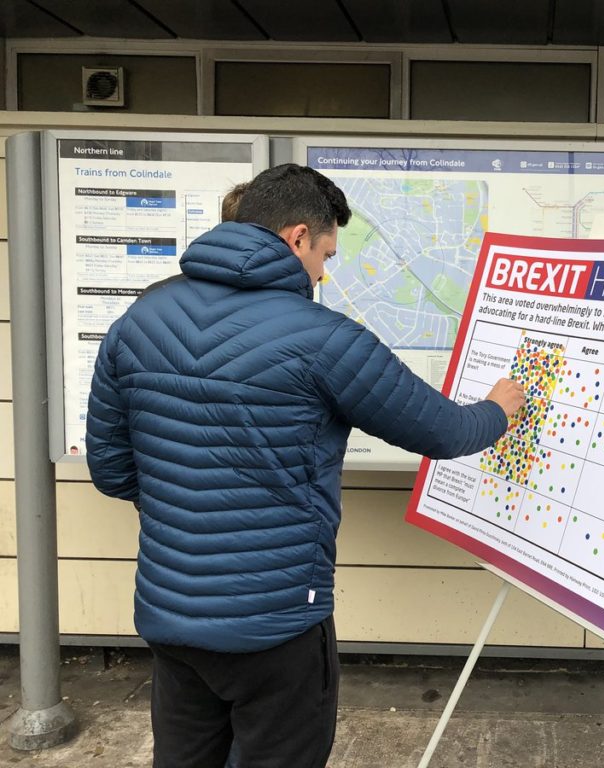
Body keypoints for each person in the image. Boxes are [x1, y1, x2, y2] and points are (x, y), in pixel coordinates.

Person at [85, 163, 525, 768]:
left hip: (171, 616)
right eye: (326, 254)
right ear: (297, 238)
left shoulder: (138, 320)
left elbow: (111, 471)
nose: (323, 272)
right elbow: (443, 431)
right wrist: (498, 410)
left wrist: (189, 511)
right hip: (279, 624)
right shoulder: (324, 339)